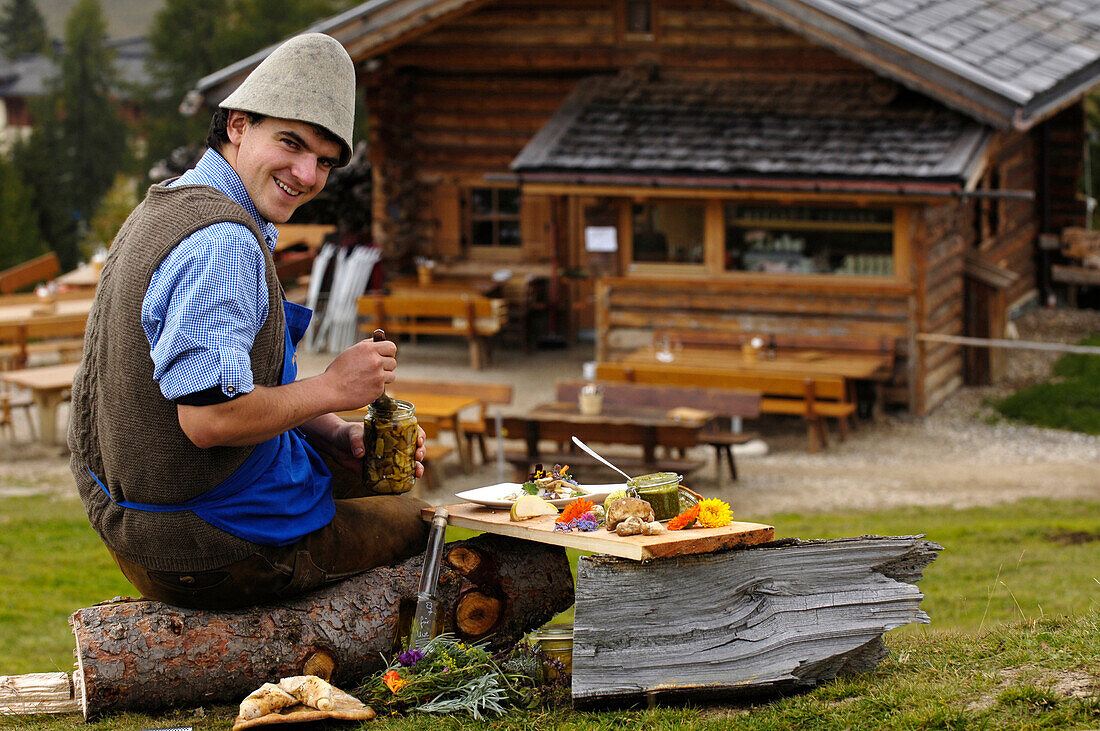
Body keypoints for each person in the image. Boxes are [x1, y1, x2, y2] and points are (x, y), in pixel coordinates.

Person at [68, 33, 429, 610]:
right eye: (291, 143)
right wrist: (334, 387)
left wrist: (332, 428)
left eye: (325, 162)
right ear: (237, 124)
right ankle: (369, 669)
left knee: (369, 476)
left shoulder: (168, 204)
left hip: (134, 522)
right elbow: (209, 420)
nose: (307, 175)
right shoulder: (223, 243)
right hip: (204, 544)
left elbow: (226, 379)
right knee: (416, 520)